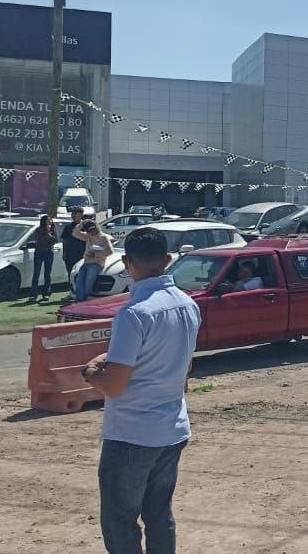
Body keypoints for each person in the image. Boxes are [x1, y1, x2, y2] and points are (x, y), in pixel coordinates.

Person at [82, 227, 200, 554]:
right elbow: (185, 367)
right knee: (159, 514)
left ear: (126, 262)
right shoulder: (188, 305)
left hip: (132, 433)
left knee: (120, 520)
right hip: (172, 427)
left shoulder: (134, 313)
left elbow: (114, 385)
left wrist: (90, 372)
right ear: (168, 259)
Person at [73, 217, 114, 302]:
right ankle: (79, 300)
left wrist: (96, 254)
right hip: (86, 262)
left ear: (96, 228)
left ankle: (83, 301)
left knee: (88, 283)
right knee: (79, 281)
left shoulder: (104, 237)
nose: (91, 232)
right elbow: (75, 233)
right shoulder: (88, 236)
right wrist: (82, 223)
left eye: (92, 230)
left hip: (97, 264)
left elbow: (110, 251)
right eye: (89, 231)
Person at [26, 214, 59, 302]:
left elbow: (55, 240)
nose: (50, 222)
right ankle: (33, 294)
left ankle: (46, 293)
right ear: (44, 221)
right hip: (39, 252)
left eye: (50, 220)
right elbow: (39, 241)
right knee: (36, 274)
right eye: (48, 220)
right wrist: (47, 235)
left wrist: (49, 233)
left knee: (47, 274)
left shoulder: (52, 230)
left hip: (49, 253)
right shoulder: (38, 230)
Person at [62, 206, 86, 293]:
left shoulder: (86, 226)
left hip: (82, 255)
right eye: (72, 213)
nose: (73, 215)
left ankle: (83, 292)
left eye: (75, 213)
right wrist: (64, 254)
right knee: (71, 274)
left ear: (81, 215)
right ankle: (72, 291)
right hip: (70, 256)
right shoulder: (68, 227)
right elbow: (64, 241)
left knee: (82, 274)